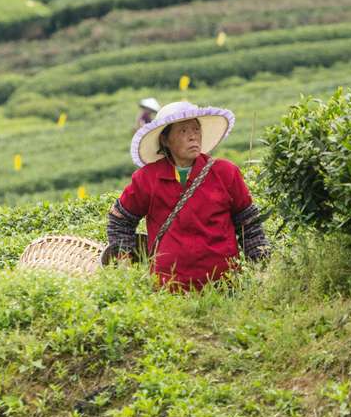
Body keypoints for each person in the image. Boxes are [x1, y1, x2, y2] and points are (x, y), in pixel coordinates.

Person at [106, 101, 270, 292]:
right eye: (183, 131)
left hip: (226, 288)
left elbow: (249, 224)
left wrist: (261, 269)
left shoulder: (225, 172)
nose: (193, 136)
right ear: (165, 140)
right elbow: (120, 220)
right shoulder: (147, 179)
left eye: (196, 129)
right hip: (169, 293)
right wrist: (124, 265)